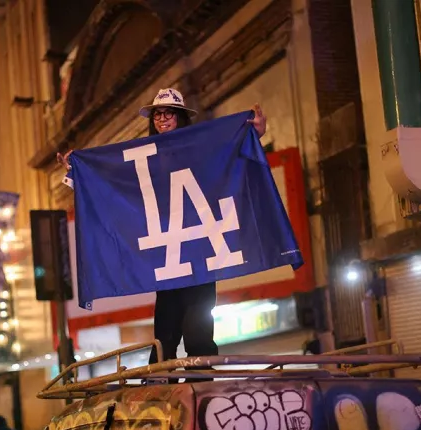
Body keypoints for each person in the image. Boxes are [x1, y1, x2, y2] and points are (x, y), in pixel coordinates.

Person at [57, 88, 267, 365]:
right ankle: (163, 392)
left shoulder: (201, 146)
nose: (162, 118)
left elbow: (228, 155)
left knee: (198, 333)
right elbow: (110, 178)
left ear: (180, 116)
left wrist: (256, 135)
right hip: (168, 257)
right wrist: (80, 168)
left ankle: (199, 388)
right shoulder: (139, 156)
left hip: (201, 254)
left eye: (169, 113)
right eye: (157, 114)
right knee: (164, 335)